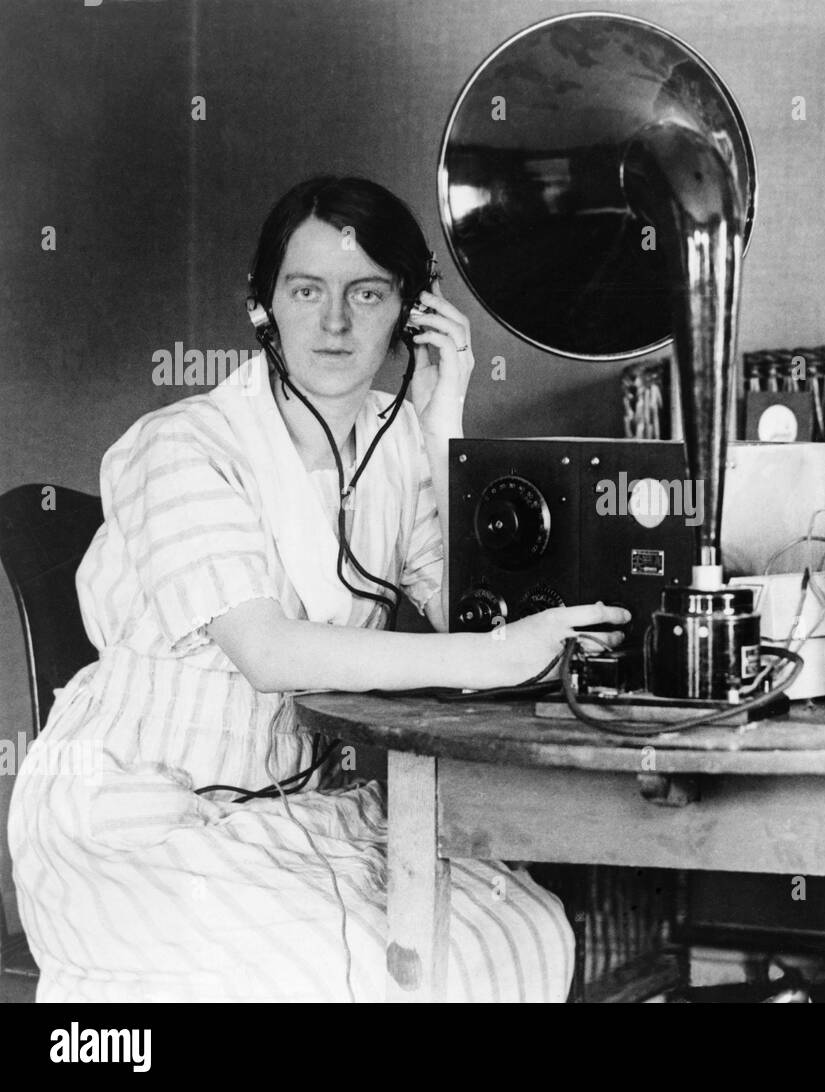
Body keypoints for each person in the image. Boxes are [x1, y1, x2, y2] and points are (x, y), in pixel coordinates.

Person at [7, 176, 627, 1002]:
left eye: (367, 293)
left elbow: (475, 616)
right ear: (263, 305)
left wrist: (444, 422)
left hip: (292, 809)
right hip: (137, 812)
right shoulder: (184, 445)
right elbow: (268, 652)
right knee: (345, 971)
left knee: (519, 930)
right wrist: (497, 654)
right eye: (307, 291)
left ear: (410, 312)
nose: (335, 322)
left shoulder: (396, 442)